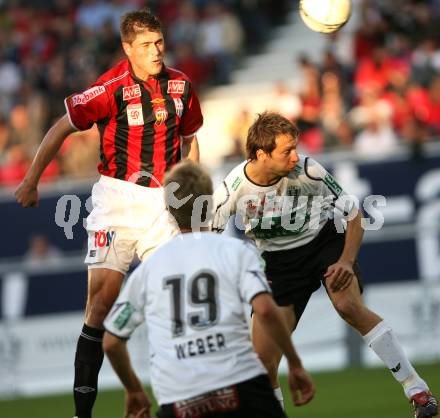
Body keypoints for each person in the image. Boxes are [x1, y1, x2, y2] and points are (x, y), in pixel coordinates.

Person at [15, 9, 203, 418]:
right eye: (146, 45)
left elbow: (191, 143)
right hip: (116, 201)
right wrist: (32, 180)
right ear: (127, 48)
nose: (156, 52)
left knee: (177, 301)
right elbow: (61, 127)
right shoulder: (110, 87)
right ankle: (84, 413)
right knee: (100, 306)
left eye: (159, 42)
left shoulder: (181, 85)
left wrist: (190, 197)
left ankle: (180, 403)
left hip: (163, 206)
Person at [212, 111, 438, 418]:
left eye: (295, 148)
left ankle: (417, 390)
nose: (295, 156)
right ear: (262, 154)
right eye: (286, 151)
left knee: (347, 304)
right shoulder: (232, 188)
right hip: (278, 265)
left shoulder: (308, 170)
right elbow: (207, 242)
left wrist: (346, 260)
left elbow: (354, 215)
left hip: (322, 244)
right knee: (262, 361)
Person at [103, 160, 315, 418]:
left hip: (179, 399)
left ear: (168, 210)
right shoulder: (235, 252)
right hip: (242, 386)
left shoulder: (149, 269)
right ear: (209, 205)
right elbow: (266, 311)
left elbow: (112, 341)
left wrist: (134, 390)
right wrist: (294, 363)